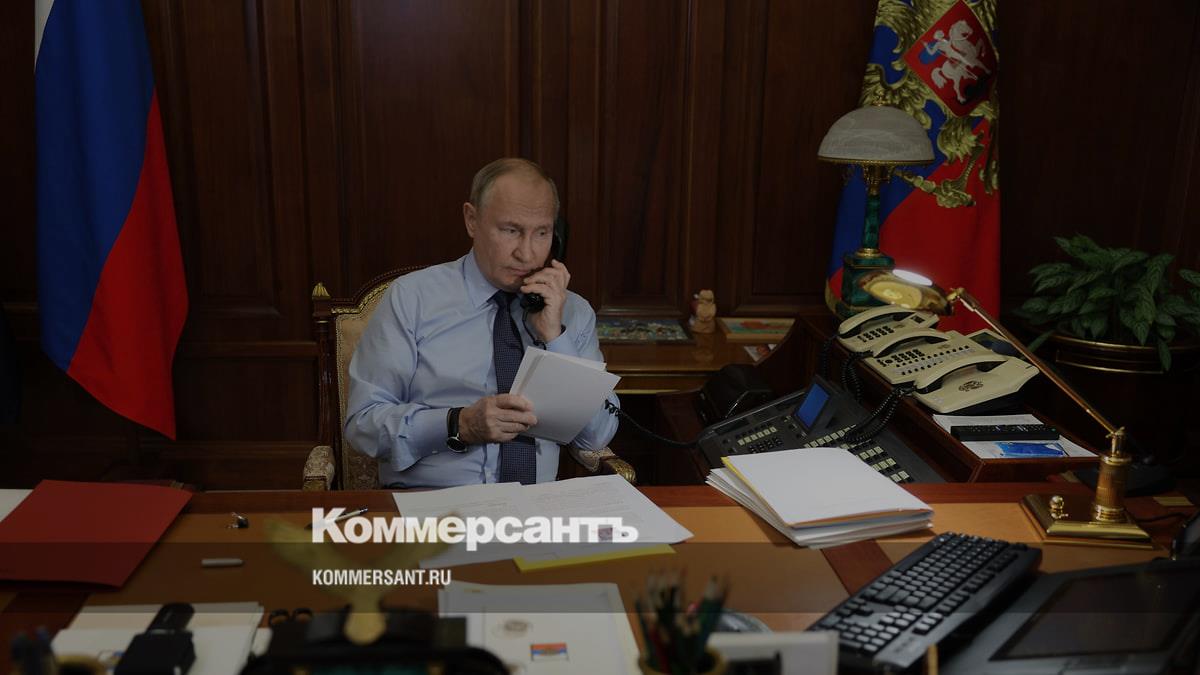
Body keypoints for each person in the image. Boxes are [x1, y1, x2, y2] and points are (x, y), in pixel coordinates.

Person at [343, 158, 620, 488]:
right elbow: (363, 425)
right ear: (471, 220)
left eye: (542, 233)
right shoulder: (412, 299)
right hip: (433, 503)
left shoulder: (572, 311)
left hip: (536, 508)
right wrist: (459, 424)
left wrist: (555, 336)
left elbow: (596, 436)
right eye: (511, 231)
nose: (527, 254)